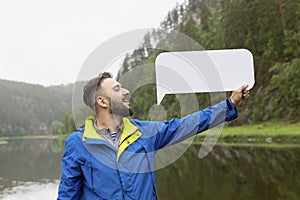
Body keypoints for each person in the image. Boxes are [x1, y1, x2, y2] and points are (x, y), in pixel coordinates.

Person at [57, 72, 250, 200]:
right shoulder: (78, 143)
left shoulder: (145, 133)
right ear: (102, 101)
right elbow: (68, 194)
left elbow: (187, 126)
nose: (126, 92)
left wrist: (229, 104)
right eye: (116, 89)